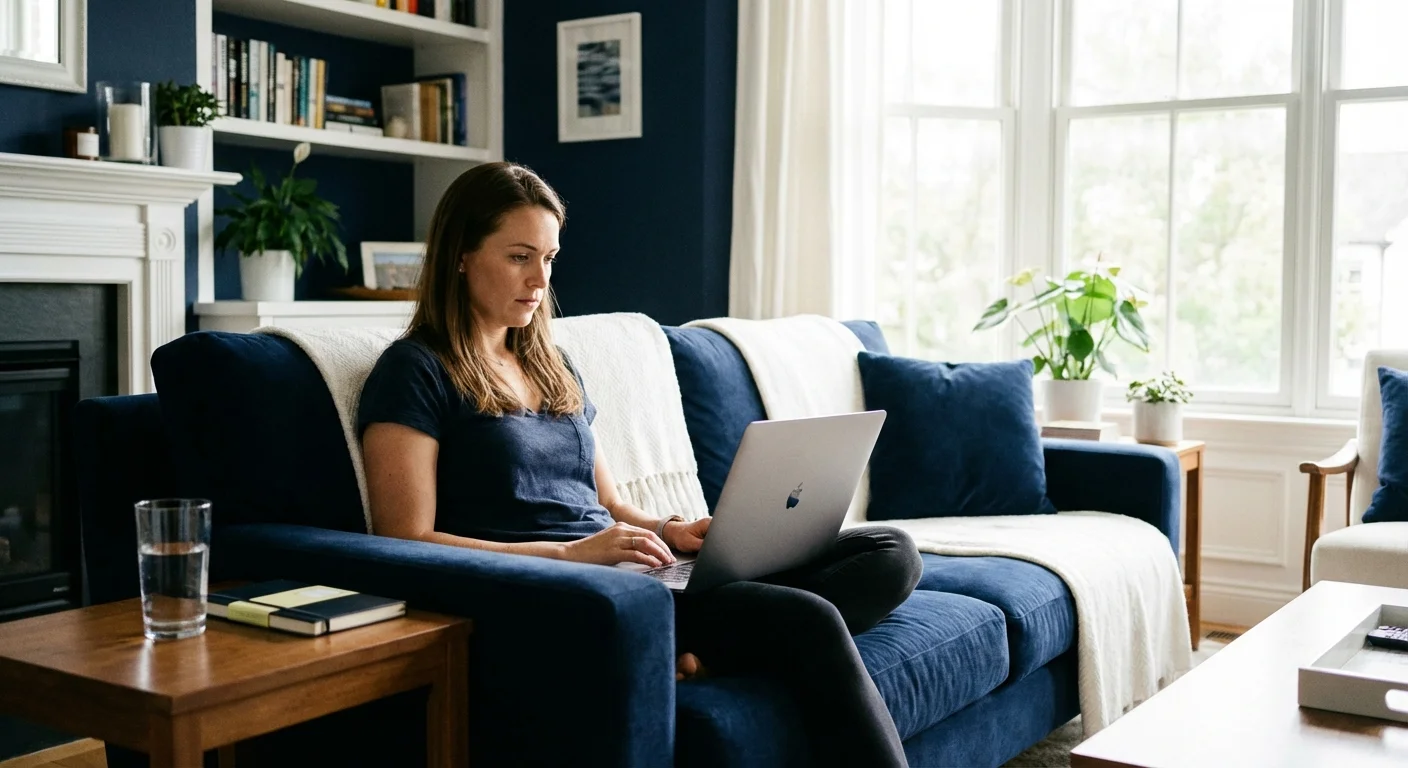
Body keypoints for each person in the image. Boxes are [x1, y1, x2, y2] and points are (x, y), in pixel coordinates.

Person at [357, 161, 922, 767]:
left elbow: (609, 506)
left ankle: (702, 654)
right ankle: (694, 643)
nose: (539, 279)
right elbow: (406, 537)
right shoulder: (414, 372)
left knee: (891, 552)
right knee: (809, 618)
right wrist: (572, 556)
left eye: (549, 258)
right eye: (520, 257)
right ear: (461, 256)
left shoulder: (550, 362)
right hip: (564, 590)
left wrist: (669, 530)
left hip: (632, 568)